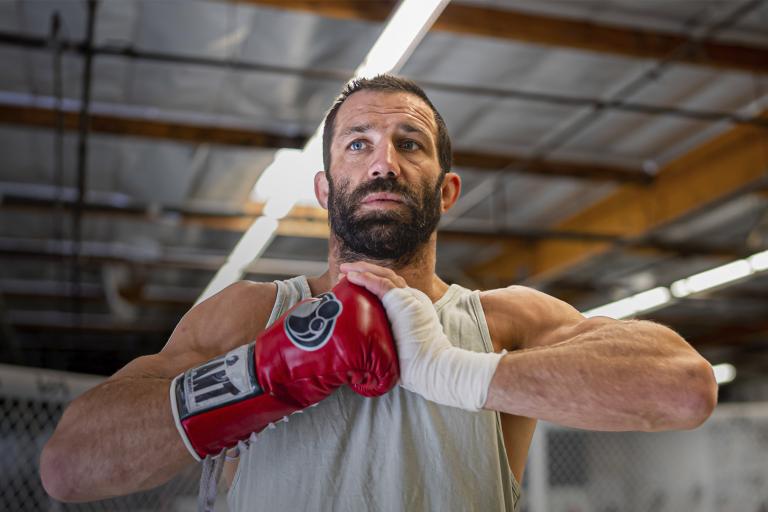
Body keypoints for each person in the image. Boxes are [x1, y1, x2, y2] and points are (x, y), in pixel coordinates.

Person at [39, 75, 718, 511]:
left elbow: (683, 387)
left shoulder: (501, 322)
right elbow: (70, 466)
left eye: (410, 143)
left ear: (446, 191)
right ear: (325, 190)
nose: (385, 161)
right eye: (357, 145)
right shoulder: (254, 315)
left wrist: (450, 369)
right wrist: (264, 374)